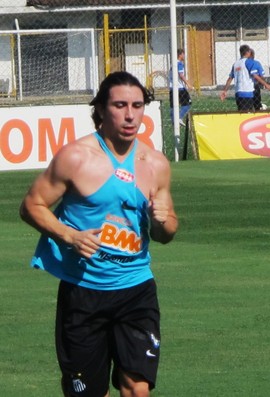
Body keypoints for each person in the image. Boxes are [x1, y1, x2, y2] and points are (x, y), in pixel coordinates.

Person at [19, 71, 178, 397]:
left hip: (136, 290)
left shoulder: (155, 163)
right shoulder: (75, 158)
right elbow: (32, 205)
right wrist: (68, 235)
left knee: (137, 387)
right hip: (83, 292)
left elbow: (166, 232)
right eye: (120, 105)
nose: (130, 114)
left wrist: (163, 222)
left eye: (137, 105)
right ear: (102, 109)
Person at [220, 44, 270, 112]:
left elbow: (230, 78)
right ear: (248, 52)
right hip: (247, 92)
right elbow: (255, 75)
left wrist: (224, 91)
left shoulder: (236, 63)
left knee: (241, 112)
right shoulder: (249, 62)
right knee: (248, 113)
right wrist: (266, 84)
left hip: (238, 93)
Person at [169, 48, 194, 126]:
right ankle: (179, 118)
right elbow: (181, 75)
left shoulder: (172, 63)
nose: (184, 56)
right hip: (179, 88)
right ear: (180, 55)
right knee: (187, 104)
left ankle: (173, 120)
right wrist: (188, 84)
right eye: (183, 54)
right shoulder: (179, 63)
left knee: (173, 105)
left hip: (172, 88)